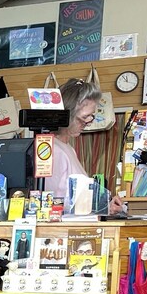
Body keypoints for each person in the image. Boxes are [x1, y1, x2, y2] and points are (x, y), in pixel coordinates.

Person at [51, 78, 124, 214]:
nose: (88, 122)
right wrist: (102, 207)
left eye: (91, 116)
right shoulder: (54, 150)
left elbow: (75, 198)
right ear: (67, 115)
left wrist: (104, 204)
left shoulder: (68, 148)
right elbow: (51, 203)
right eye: (84, 117)